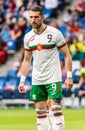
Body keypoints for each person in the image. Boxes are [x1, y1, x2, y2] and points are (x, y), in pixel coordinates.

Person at [18, 5, 73, 130]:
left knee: (56, 108)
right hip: (37, 78)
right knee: (40, 112)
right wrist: (22, 79)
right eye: (31, 17)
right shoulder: (28, 37)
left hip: (54, 76)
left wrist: (69, 77)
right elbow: (26, 60)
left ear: (42, 17)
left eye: (36, 17)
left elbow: (67, 55)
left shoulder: (54, 33)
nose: (33, 20)